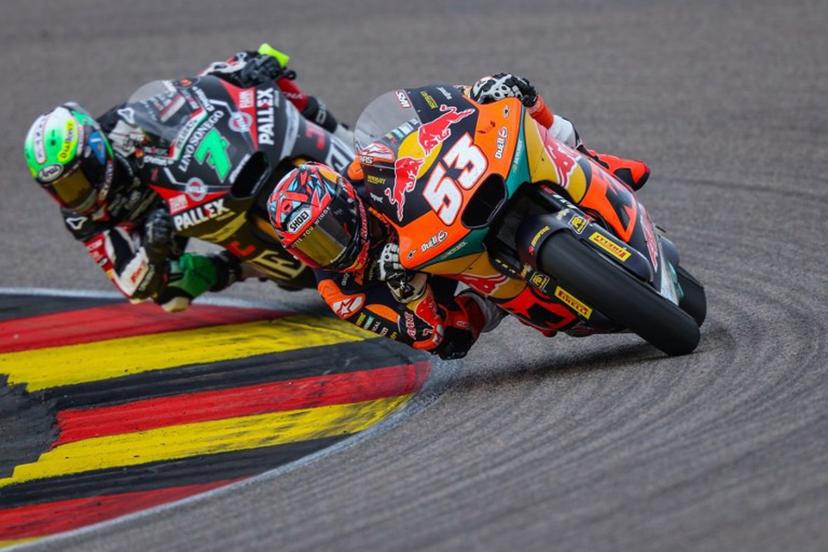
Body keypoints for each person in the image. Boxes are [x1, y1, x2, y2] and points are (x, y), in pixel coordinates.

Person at [266, 74, 650, 359]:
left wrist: (476, 96)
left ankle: (593, 160)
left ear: (345, 204)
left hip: (447, 212)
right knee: (455, 337)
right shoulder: (341, 293)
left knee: (518, 100)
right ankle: (499, 300)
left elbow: (427, 124)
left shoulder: (360, 176)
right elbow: (423, 336)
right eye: (313, 247)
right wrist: (409, 291)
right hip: (438, 279)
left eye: (328, 231)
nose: (329, 249)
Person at [23, 44, 352, 312]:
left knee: (271, 78)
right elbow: (128, 281)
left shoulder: (122, 125)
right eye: (62, 189)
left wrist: (241, 68)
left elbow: (189, 93)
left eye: (80, 177)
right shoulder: (82, 217)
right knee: (169, 294)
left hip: (191, 183)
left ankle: (349, 142)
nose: (77, 192)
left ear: (96, 148)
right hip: (163, 228)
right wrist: (152, 249)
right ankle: (240, 266)